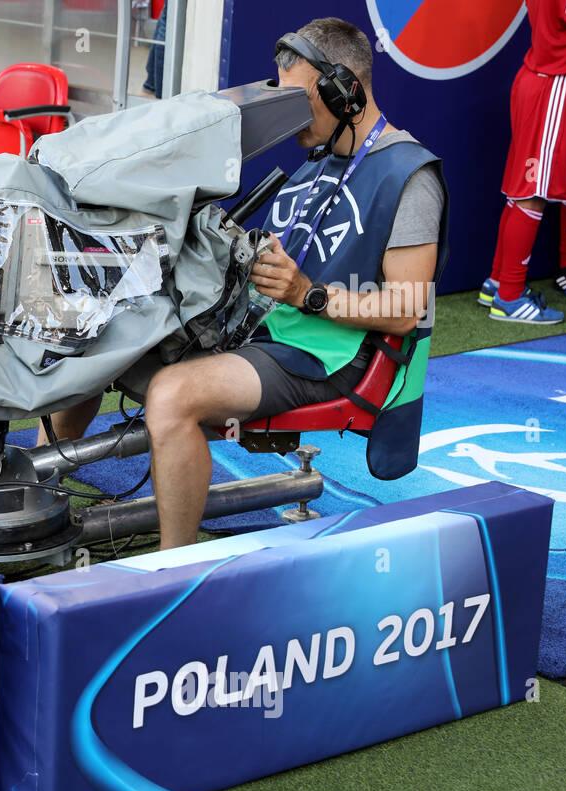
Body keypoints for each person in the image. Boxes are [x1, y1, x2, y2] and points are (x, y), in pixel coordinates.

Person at [45, 17, 448, 551]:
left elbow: (407, 308)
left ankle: (175, 569)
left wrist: (309, 294)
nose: (285, 117)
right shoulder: (313, 166)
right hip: (256, 332)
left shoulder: (409, 175)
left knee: (173, 395)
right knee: (98, 331)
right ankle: (39, 490)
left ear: (343, 91)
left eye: (297, 100)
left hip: (321, 353)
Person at [479, 0, 566, 323]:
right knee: (532, 193)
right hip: (555, 83)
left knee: (523, 191)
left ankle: (497, 282)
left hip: (544, 78)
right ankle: (508, 297)